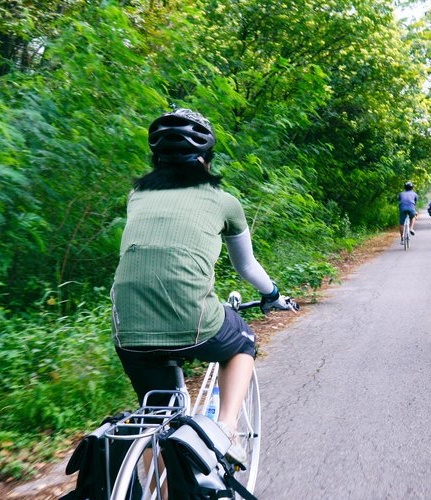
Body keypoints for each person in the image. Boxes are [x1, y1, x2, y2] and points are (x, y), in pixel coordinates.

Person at [110, 108, 296, 465]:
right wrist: (272, 294)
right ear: (206, 159)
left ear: (156, 159)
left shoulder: (136, 197)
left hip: (127, 326)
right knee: (243, 341)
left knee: (157, 420)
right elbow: (246, 266)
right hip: (193, 321)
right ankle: (226, 431)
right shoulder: (224, 202)